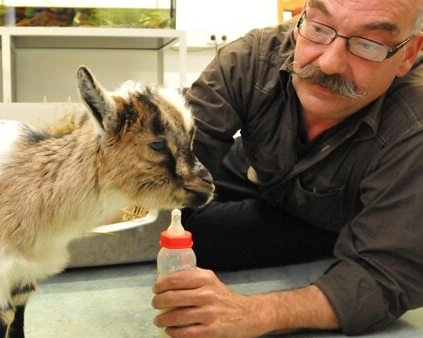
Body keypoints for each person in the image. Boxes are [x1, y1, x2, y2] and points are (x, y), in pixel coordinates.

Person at [152, 0, 423, 337]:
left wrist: (257, 312)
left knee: (201, 239)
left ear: (409, 53)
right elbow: (175, 160)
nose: (329, 62)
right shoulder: (253, 56)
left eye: (368, 45)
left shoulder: (415, 122)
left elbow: (387, 274)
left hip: (328, 219)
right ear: (301, 17)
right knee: (173, 218)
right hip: (255, 172)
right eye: (319, 28)